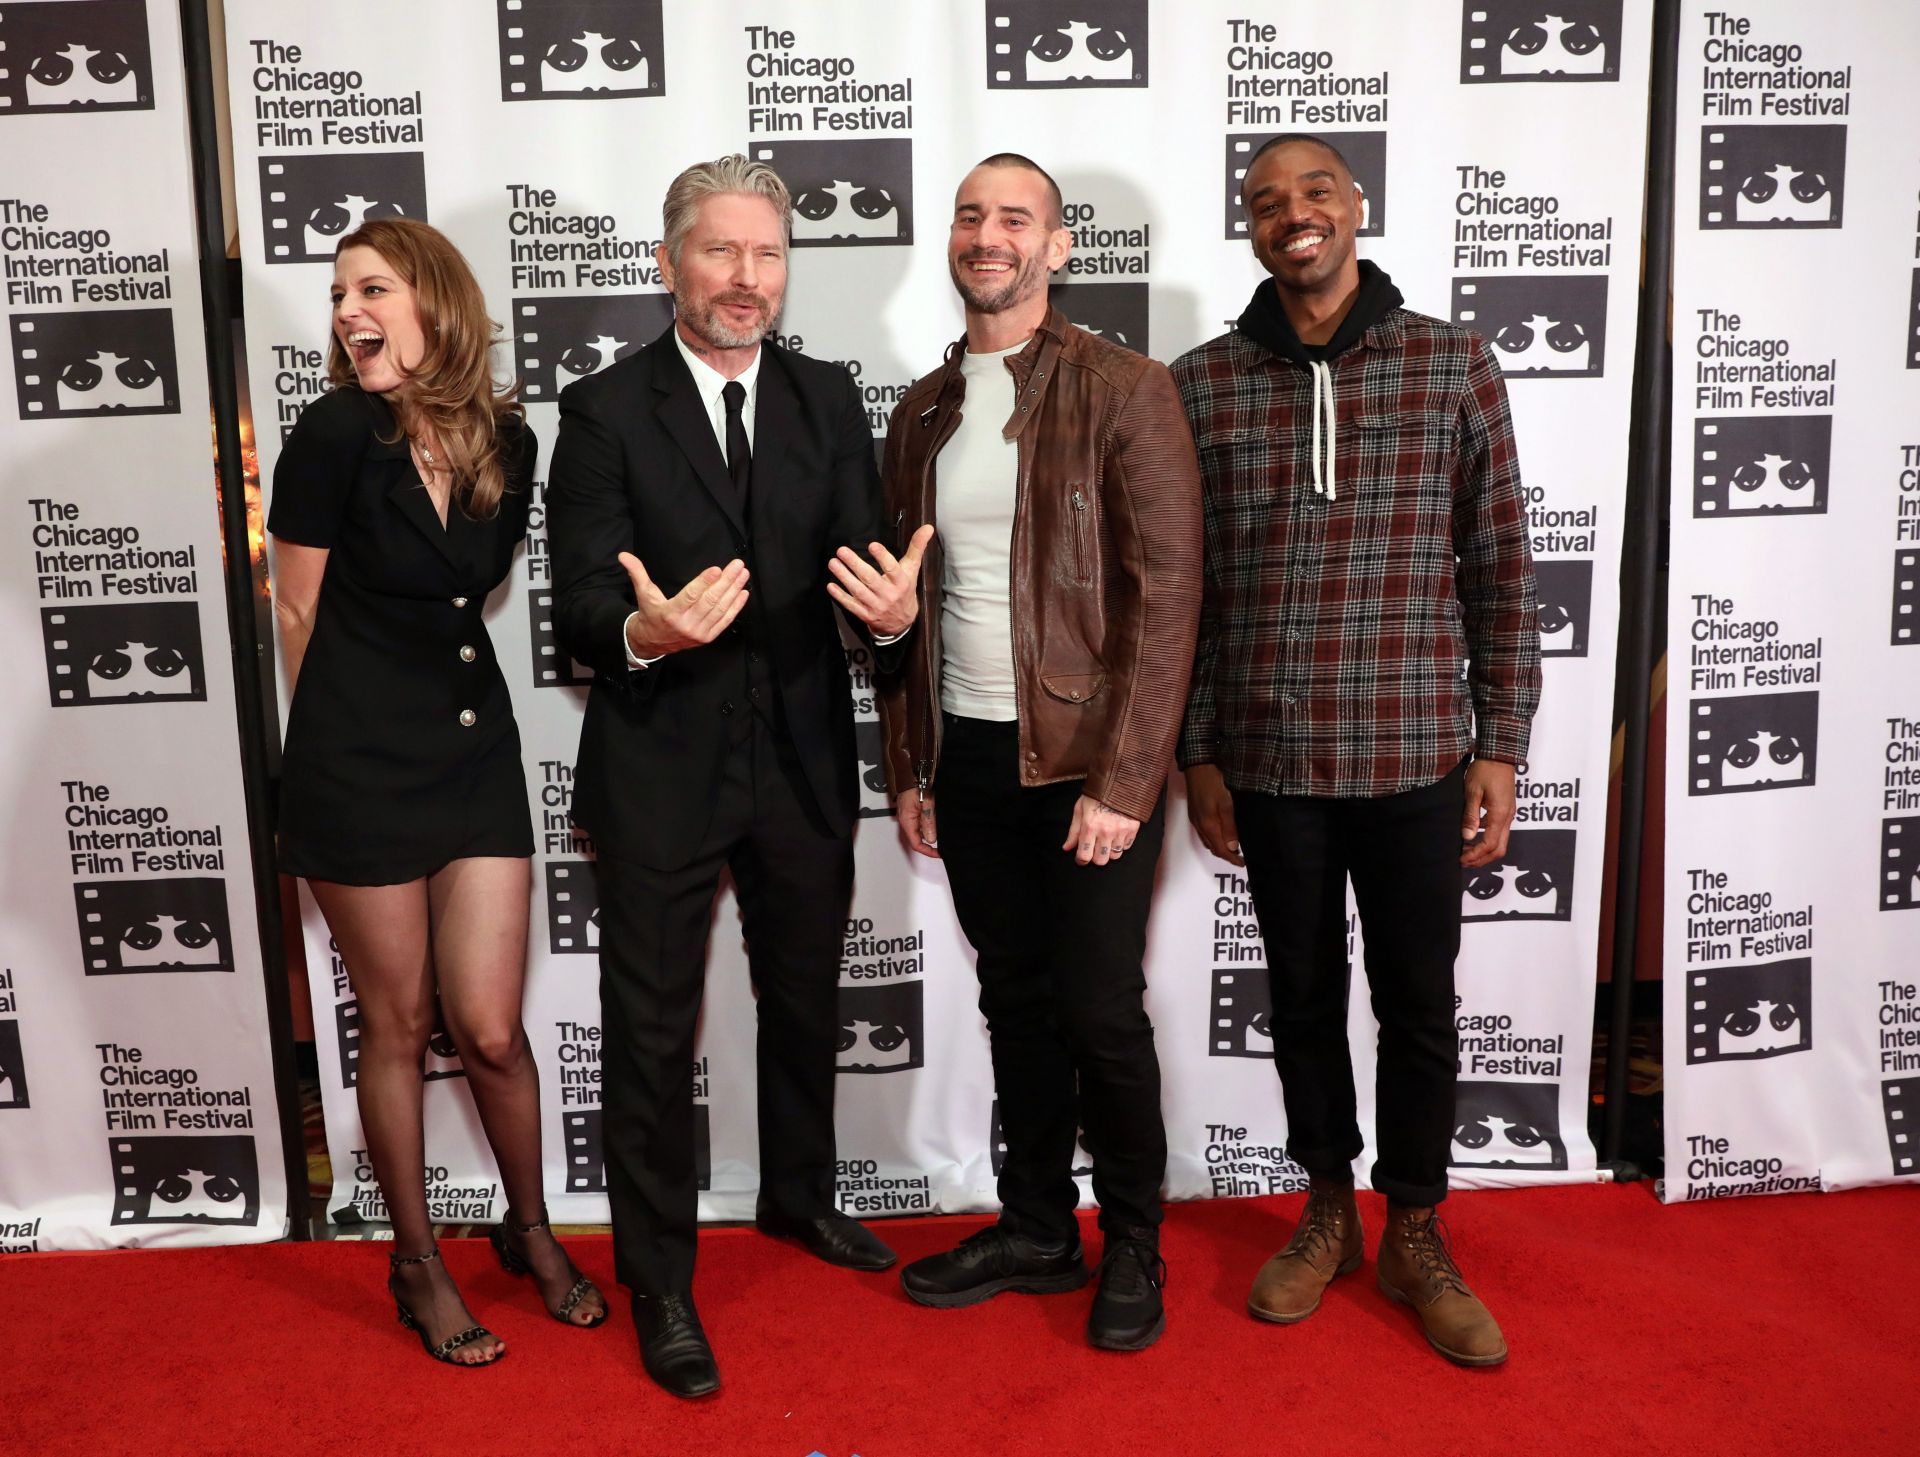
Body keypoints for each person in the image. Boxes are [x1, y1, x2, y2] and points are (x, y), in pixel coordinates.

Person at [545, 155, 929, 1398]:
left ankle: (799, 1198)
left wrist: (893, 615)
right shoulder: (603, 410)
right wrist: (643, 634)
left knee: (806, 998)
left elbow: (870, 581)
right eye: (721, 252)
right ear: (669, 264)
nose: (746, 279)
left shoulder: (826, 396)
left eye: (766, 255)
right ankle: (657, 1274)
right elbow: (581, 608)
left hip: (806, 758)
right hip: (660, 763)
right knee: (651, 1034)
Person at [1173, 135, 1541, 1368]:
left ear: (1357, 206)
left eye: (1315, 192)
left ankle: (1418, 1228)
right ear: (1251, 230)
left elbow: (1498, 565)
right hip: (1270, 760)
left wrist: (1504, 741)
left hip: (1419, 750)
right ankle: (1326, 1206)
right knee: (1302, 1001)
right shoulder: (1204, 382)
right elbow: (1191, 590)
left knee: (1421, 1006)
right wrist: (1198, 751)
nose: (1294, 216)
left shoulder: (1451, 361)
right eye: (1268, 202)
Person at [875, 154, 1202, 1352]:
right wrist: (910, 763)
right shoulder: (921, 410)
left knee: (1100, 1007)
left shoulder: (1125, 389)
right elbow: (903, 608)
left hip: (1085, 760)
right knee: (1014, 996)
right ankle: (1036, 1228)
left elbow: (1168, 602)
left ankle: (1137, 1245)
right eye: (970, 215)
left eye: (1017, 217)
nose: (988, 235)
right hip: (967, 753)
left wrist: (1124, 783)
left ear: (1058, 247)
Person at [270, 218, 606, 1369]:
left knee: (494, 1026)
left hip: (473, 751)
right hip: (356, 764)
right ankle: (417, 1261)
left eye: (372, 287)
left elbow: (480, 583)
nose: (347, 311)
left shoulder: (508, 438)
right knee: (400, 1026)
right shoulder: (329, 432)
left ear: (436, 305)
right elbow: (298, 612)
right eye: (336, 294)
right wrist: (341, 744)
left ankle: (529, 1229)